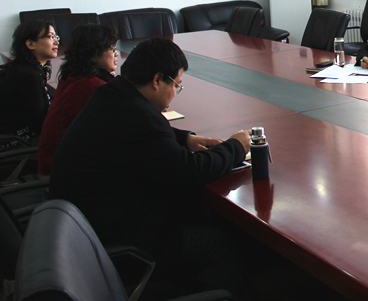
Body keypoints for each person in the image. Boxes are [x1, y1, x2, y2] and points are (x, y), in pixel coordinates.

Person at [49, 38, 255, 298]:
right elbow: (188, 172)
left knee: (195, 210)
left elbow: (143, 135)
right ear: (157, 80)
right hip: (117, 243)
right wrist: (236, 147)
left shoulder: (113, 94)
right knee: (216, 241)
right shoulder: (137, 116)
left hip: (83, 230)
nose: (175, 93)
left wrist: (186, 139)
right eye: (176, 85)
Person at [37, 24, 119, 175]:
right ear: (94, 54)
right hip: (64, 173)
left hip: (55, 163)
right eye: (112, 49)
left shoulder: (73, 76)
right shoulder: (93, 87)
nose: (117, 54)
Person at [0, 20, 59, 151]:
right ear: (31, 44)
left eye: (56, 37)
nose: (56, 42)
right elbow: (39, 123)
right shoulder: (29, 75)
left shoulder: (21, 67)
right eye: (51, 37)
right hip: (15, 143)